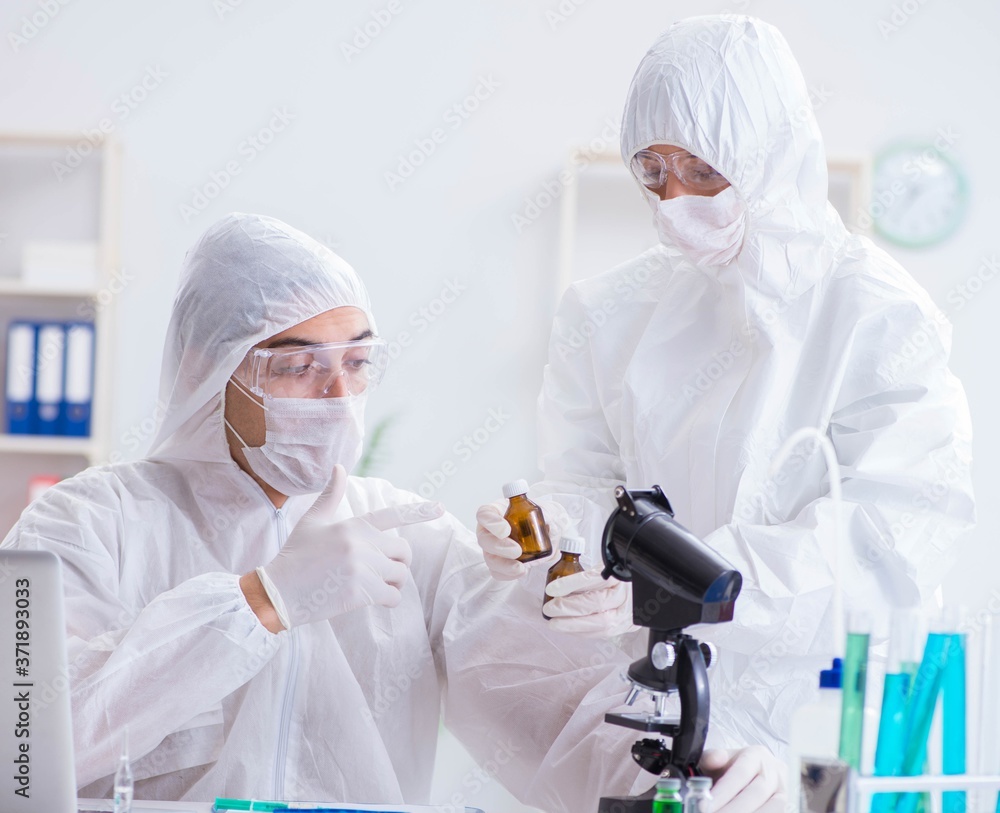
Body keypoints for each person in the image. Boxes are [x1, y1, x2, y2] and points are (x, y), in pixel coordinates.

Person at [4, 212, 779, 812]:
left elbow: (558, 711)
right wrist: (260, 601)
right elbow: (26, 743)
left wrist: (698, 764)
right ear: (210, 368)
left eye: (356, 361)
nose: (338, 395)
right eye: (298, 365)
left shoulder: (410, 537)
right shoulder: (87, 525)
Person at [476, 13, 975, 761]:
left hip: (824, 726)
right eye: (653, 171)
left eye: (704, 170)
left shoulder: (877, 315)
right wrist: (545, 536)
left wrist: (683, 588)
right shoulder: (609, 312)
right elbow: (588, 486)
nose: (674, 199)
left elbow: (887, 543)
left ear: (772, 154)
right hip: (659, 705)